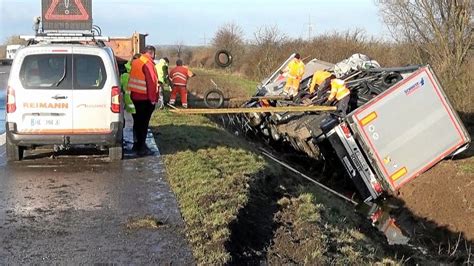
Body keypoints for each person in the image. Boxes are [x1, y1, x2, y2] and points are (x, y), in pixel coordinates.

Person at [128, 46, 159, 156]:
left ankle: (137, 145)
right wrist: (153, 100)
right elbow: (151, 82)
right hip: (145, 98)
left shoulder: (136, 62)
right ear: (152, 53)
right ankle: (142, 148)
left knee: (137, 123)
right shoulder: (148, 63)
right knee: (143, 124)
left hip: (135, 96)